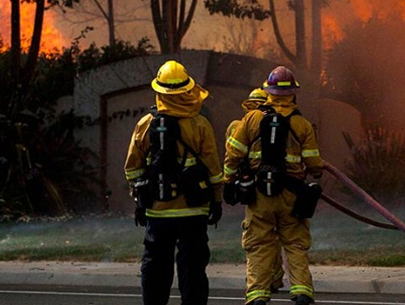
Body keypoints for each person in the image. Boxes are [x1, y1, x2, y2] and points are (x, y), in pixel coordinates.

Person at [125, 60, 225, 305]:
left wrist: (139, 200)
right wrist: (217, 201)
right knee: (192, 268)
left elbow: (133, 168)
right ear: (187, 90)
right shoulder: (200, 124)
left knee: (156, 266)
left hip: (158, 211)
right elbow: (213, 169)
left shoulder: (145, 124)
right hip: (194, 210)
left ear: (159, 91)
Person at [224, 66, 323, 305]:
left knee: (259, 243)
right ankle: (301, 292)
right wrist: (314, 170)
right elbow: (313, 163)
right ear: (292, 93)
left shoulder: (252, 119)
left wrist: (228, 182)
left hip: (259, 196)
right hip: (291, 195)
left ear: (268, 91)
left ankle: (258, 294)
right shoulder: (302, 124)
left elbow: (233, 154)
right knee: (295, 243)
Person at [225, 87, 286, 294]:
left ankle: (261, 284)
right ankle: (274, 278)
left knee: (258, 238)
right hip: (279, 186)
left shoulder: (240, 124)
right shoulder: (280, 122)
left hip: (251, 187)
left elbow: (232, 154)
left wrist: (228, 180)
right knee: (275, 235)